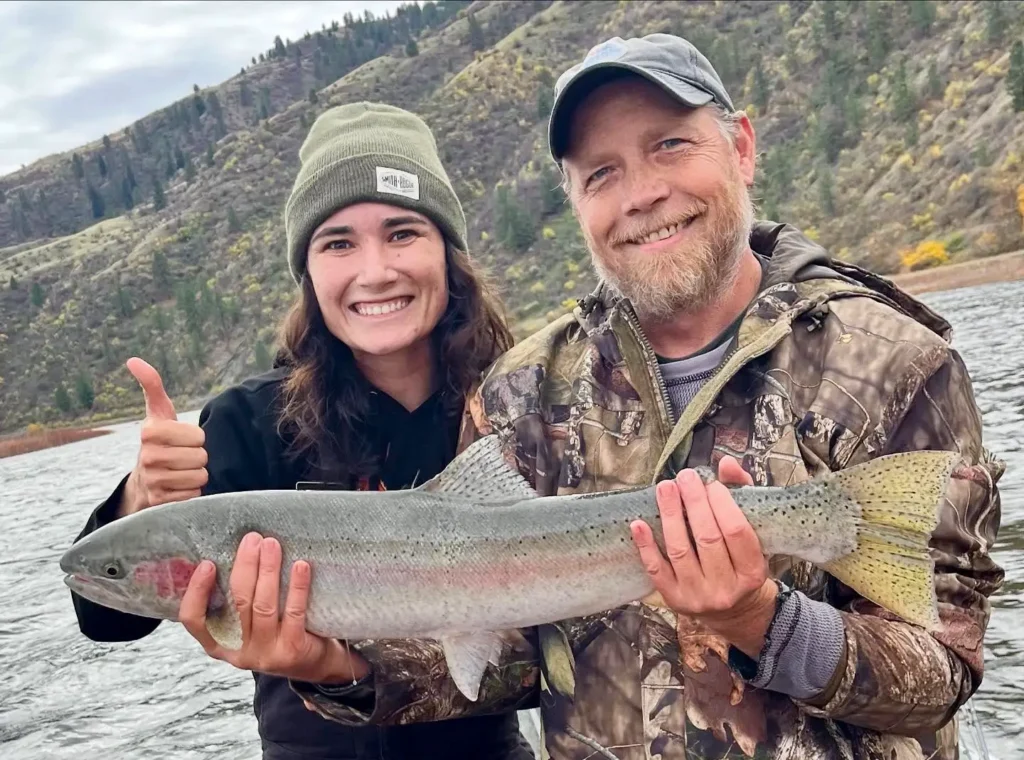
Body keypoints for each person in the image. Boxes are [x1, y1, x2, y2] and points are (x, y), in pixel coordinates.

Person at [294, 35, 1005, 760]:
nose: (642, 194)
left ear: (743, 148)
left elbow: (945, 669)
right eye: (602, 173)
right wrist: (332, 667)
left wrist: (765, 620)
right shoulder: (521, 393)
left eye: (669, 145)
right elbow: (505, 659)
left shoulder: (899, 363)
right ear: (576, 203)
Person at [66, 102, 537, 760]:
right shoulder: (247, 423)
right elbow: (106, 618)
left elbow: (564, 655)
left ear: (448, 252)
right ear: (308, 272)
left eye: (403, 233)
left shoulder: (526, 400)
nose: (375, 270)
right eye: (338, 242)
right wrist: (141, 497)